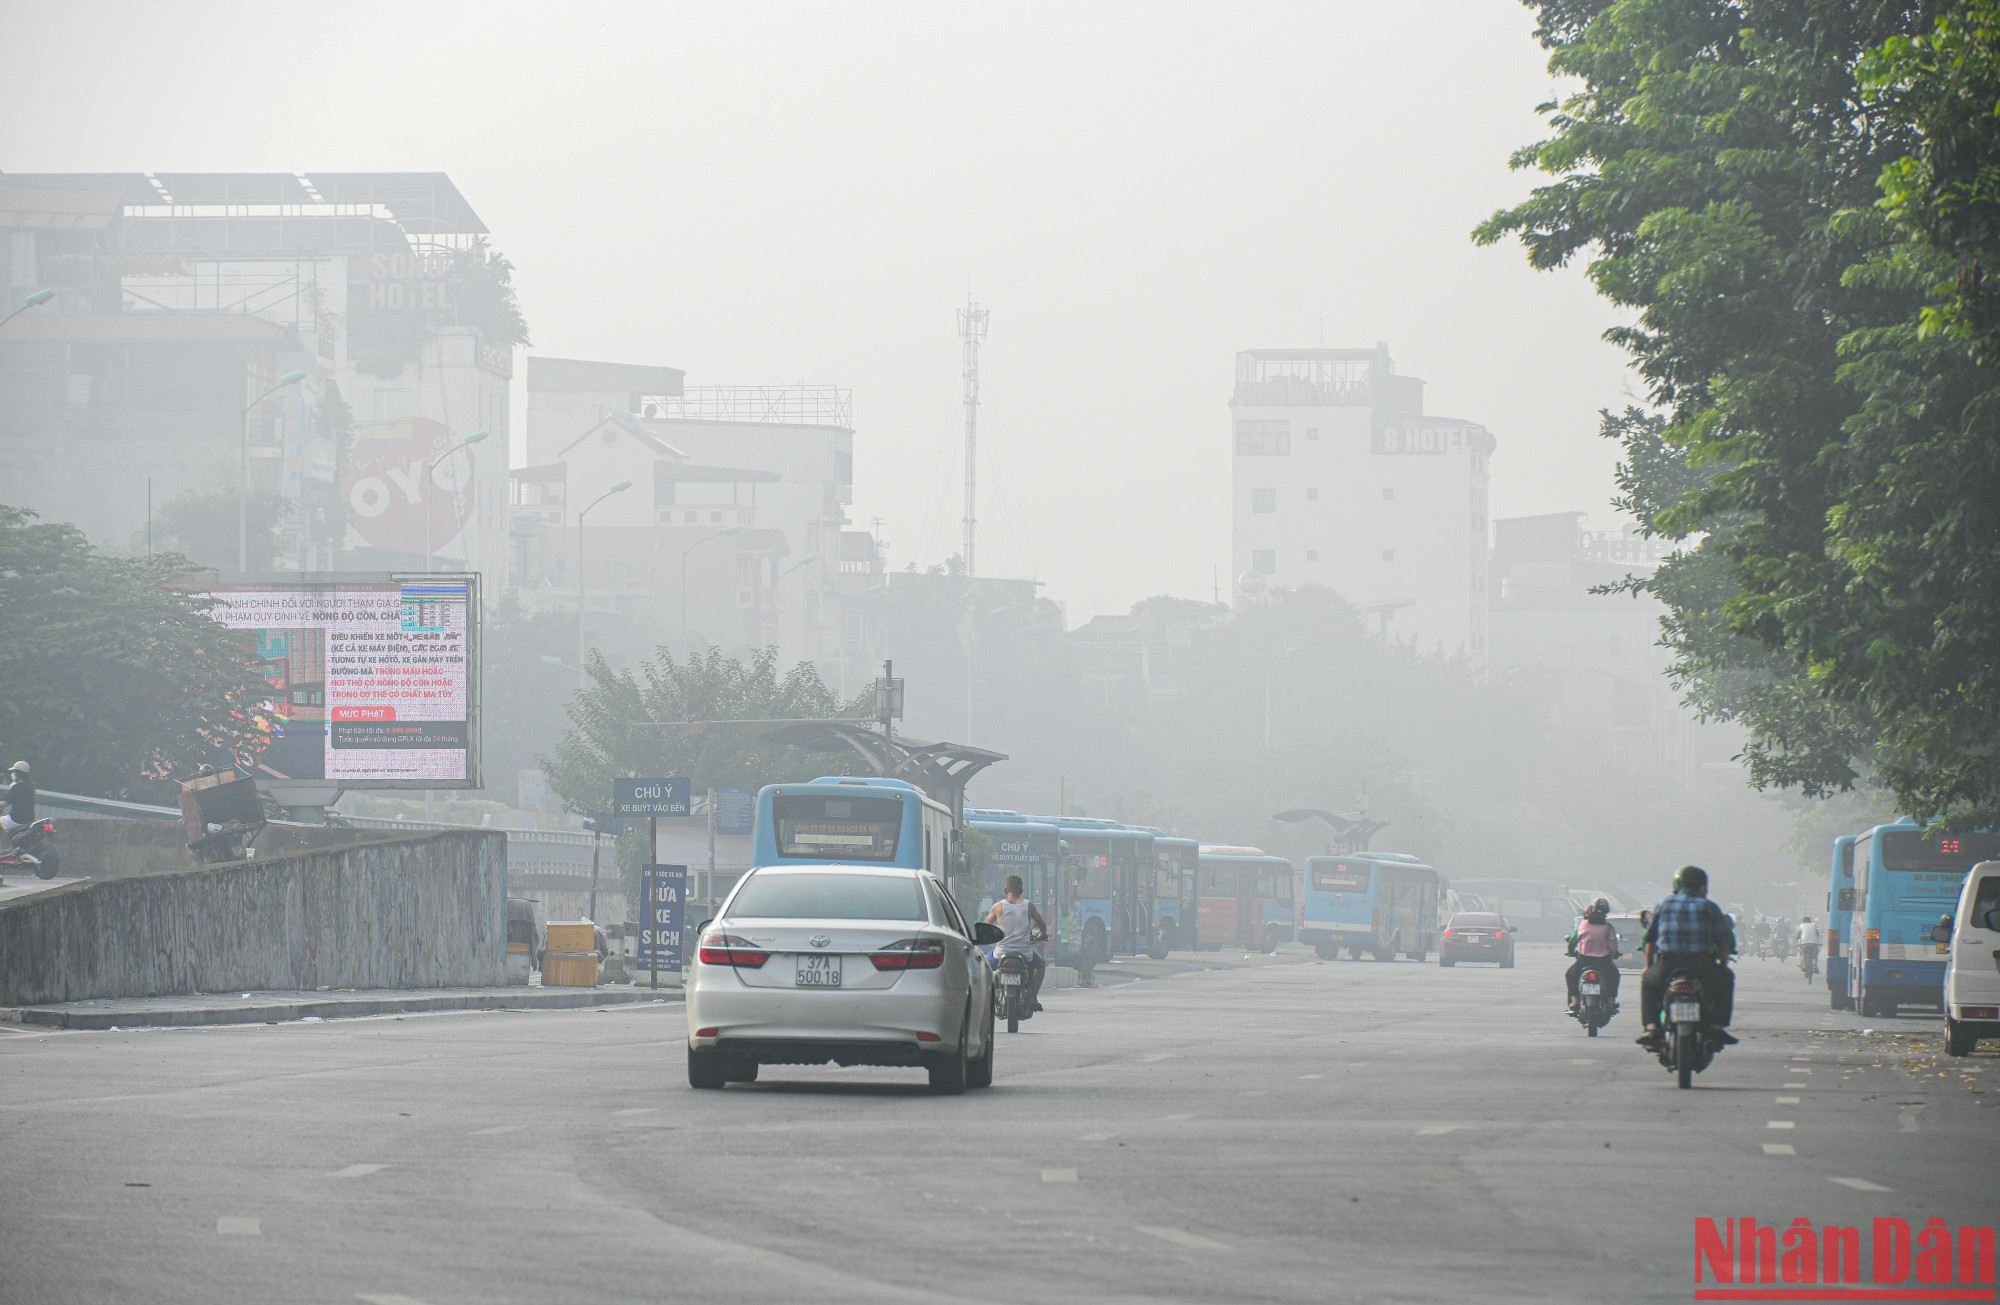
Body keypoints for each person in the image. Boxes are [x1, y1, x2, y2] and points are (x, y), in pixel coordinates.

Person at [1637, 865, 1737, 1050]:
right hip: (1702, 965)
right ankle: (1716, 1027)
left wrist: (1648, 966)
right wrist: (1723, 966)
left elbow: (1650, 939)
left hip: (1668, 964)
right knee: (1727, 979)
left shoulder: (1664, 904)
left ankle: (1651, 1028)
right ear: (1702, 888)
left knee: (1648, 983)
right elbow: (1722, 943)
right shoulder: (1709, 907)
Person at [985, 874, 1051, 1012]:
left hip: (1001, 953)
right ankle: (1033, 998)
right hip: (1025, 953)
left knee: (981, 966)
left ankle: (985, 998)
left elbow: (986, 928)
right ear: (1021, 891)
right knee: (1041, 965)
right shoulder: (1029, 906)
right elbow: (1042, 925)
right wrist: (1042, 935)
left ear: (1005, 890)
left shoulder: (998, 907)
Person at [1565, 898, 1622, 1012]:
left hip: (1584, 960)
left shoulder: (1582, 925)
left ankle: (1575, 1001)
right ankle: (1611, 1001)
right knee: (1614, 975)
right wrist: (1614, 954)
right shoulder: (1609, 927)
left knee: (1570, 975)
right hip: (1603, 961)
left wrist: (1571, 952)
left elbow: (1572, 941)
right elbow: (1612, 945)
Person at [0, 760, 36, 861]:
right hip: (29, 819)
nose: (13, 774)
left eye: (15, 772)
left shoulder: (16, 787)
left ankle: (2, 850)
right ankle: (11, 848)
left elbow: (5, 803)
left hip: (16, 819)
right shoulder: (31, 787)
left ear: (18, 774)